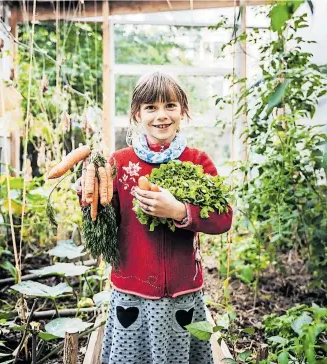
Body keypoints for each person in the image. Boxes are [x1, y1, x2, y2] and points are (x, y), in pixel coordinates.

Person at [90, 71, 233, 364]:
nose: (161, 116)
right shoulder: (119, 162)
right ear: (137, 114)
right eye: (151, 108)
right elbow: (101, 219)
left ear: (183, 111)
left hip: (182, 288)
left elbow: (224, 218)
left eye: (170, 105)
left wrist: (181, 211)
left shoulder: (197, 161)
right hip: (133, 287)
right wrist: (88, 193)